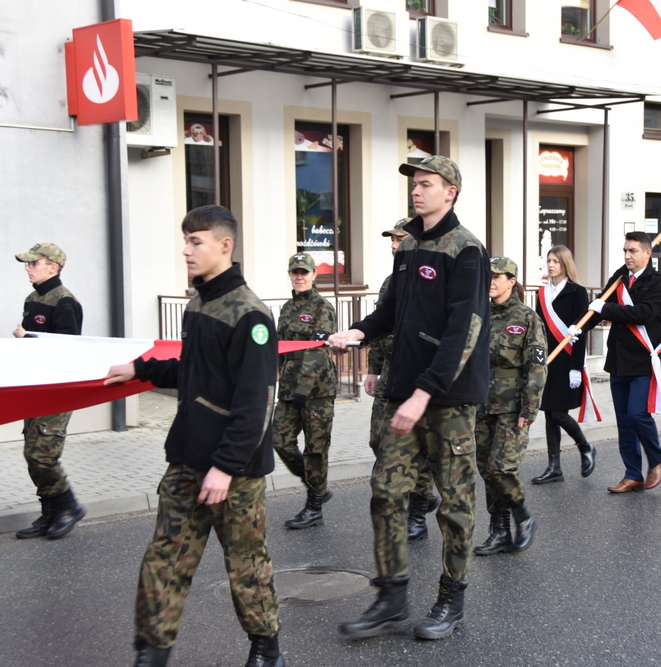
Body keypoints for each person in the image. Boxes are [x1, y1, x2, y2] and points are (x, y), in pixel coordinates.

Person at [104, 205, 286, 667]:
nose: (186, 250)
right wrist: (141, 369)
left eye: (196, 241)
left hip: (234, 471)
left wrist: (225, 467)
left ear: (225, 246)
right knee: (164, 559)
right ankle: (153, 653)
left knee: (245, 565)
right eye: (185, 240)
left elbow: (255, 403)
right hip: (187, 457)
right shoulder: (199, 302)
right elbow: (196, 370)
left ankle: (267, 650)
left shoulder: (252, 315)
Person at [330, 155, 490, 641]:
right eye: (414, 185)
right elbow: (391, 311)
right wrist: (357, 331)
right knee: (386, 493)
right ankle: (392, 598)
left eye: (426, 184)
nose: (417, 191)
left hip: (447, 399)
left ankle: (451, 598)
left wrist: (425, 392)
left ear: (451, 192)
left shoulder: (467, 250)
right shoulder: (409, 246)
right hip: (405, 393)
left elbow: (463, 331)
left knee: (454, 504)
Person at [365, 220, 441, 542]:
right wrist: (373, 368)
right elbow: (381, 324)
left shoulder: (430, 280)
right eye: (392, 241)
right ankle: (417, 495)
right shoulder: (390, 281)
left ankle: (418, 509)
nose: (394, 245)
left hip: (417, 377)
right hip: (391, 374)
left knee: (417, 448)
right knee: (378, 441)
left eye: (399, 240)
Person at [578, 232, 661, 494]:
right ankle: (632, 474)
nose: (627, 256)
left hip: (644, 359)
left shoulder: (659, 282)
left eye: (632, 251)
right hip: (619, 360)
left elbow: (642, 313)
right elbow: (599, 307)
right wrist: (578, 327)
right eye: (625, 251)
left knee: (637, 413)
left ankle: (657, 457)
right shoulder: (619, 278)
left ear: (646, 253)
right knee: (624, 420)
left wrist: (603, 310)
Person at [473, 256, 546, 556]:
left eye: (498, 276)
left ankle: (524, 515)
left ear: (512, 281)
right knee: (486, 470)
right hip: (481, 403)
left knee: (500, 468)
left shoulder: (527, 318)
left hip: (513, 405)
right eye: (488, 276)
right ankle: (500, 531)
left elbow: (537, 367)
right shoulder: (479, 315)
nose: (491, 281)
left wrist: (529, 410)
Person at [13, 243, 86, 540]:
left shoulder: (66, 302)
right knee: (32, 454)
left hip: (57, 390)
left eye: (33, 263)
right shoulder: (33, 298)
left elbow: (65, 350)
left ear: (52, 267)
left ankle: (69, 506)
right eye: (27, 264)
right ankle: (49, 513)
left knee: (43, 456)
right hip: (36, 387)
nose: (27, 268)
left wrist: (25, 336)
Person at [273, 252, 338, 529]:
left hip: (317, 389)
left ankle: (314, 507)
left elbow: (318, 351)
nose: (299, 277)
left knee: (315, 448)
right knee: (280, 439)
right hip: (289, 388)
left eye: (304, 272)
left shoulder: (323, 307)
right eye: (295, 272)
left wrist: (304, 388)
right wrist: (278, 378)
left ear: (314, 275)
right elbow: (280, 348)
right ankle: (318, 487)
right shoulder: (288, 307)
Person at [532, 244, 596, 484]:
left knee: (559, 414)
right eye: (548, 260)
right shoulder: (541, 294)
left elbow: (580, 332)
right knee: (549, 413)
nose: (550, 265)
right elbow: (539, 331)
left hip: (567, 360)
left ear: (565, 264)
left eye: (555, 261)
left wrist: (576, 367)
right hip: (548, 361)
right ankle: (554, 466)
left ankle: (586, 446)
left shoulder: (577, 292)